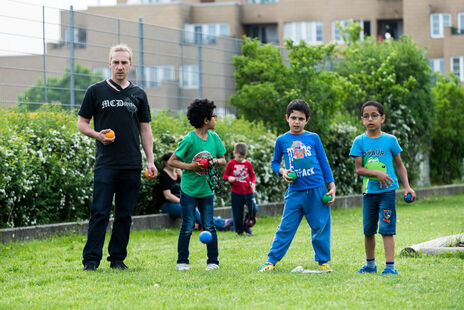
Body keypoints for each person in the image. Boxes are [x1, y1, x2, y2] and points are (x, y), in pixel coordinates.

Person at [77, 44, 157, 271]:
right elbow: (82, 123)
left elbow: (145, 129)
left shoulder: (139, 94)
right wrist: (97, 135)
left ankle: (117, 260)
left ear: (131, 65)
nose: (119, 67)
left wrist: (150, 160)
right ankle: (91, 261)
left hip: (132, 164)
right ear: (109, 64)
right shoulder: (96, 91)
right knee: (100, 212)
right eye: (115, 62)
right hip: (106, 164)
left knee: (124, 215)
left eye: (124, 62)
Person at [258, 99, 336, 273]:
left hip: (317, 190)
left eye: (301, 119)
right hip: (295, 193)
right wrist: (283, 172)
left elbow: (324, 163)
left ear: (306, 120)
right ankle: (271, 261)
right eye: (293, 118)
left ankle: (323, 261)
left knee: (320, 226)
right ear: (287, 118)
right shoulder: (282, 140)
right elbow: (275, 163)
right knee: (285, 227)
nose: (296, 122)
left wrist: (332, 186)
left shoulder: (313, 138)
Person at [349, 100, 416, 276]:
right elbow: (359, 169)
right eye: (366, 116)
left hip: (387, 192)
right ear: (362, 119)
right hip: (369, 193)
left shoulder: (390, 140)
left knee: (387, 229)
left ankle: (390, 267)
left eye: (374, 115)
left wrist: (407, 187)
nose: (370, 119)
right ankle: (370, 265)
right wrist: (377, 174)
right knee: (368, 231)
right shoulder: (359, 141)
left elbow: (400, 165)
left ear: (382, 118)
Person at [168, 98, 226, 271]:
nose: (216, 119)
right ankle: (182, 261)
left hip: (206, 190)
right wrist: (191, 166)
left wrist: (212, 161)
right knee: (187, 226)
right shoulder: (189, 140)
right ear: (205, 120)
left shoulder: (214, 138)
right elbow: (172, 161)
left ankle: (213, 261)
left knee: (209, 225)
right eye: (214, 116)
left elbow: (223, 160)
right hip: (189, 190)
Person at [158, 151, 233, 231]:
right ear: (166, 162)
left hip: (180, 203)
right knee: (191, 209)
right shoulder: (163, 175)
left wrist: (182, 176)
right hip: (167, 205)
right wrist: (182, 201)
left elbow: (188, 186)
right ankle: (222, 224)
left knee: (195, 209)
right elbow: (168, 196)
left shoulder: (178, 173)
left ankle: (225, 225)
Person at [223, 142, 258, 235]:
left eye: (242, 157)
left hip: (248, 191)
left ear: (245, 155)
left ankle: (247, 226)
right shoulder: (231, 163)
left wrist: (253, 183)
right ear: (234, 153)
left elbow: (253, 175)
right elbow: (225, 176)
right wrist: (229, 178)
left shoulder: (248, 164)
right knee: (237, 213)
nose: (240, 159)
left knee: (253, 209)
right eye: (239, 157)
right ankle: (239, 231)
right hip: (236, 193)